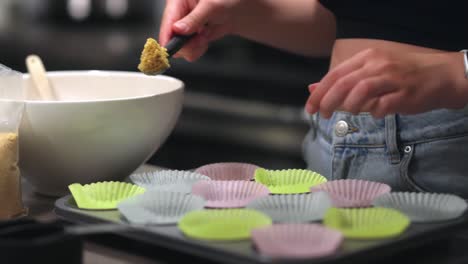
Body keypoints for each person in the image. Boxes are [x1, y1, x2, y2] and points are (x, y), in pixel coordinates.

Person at [158, 0, 468, 198]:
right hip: (330, 144)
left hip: (445, 151)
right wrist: (243, 14)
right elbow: (357, 22)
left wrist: (459, 71)